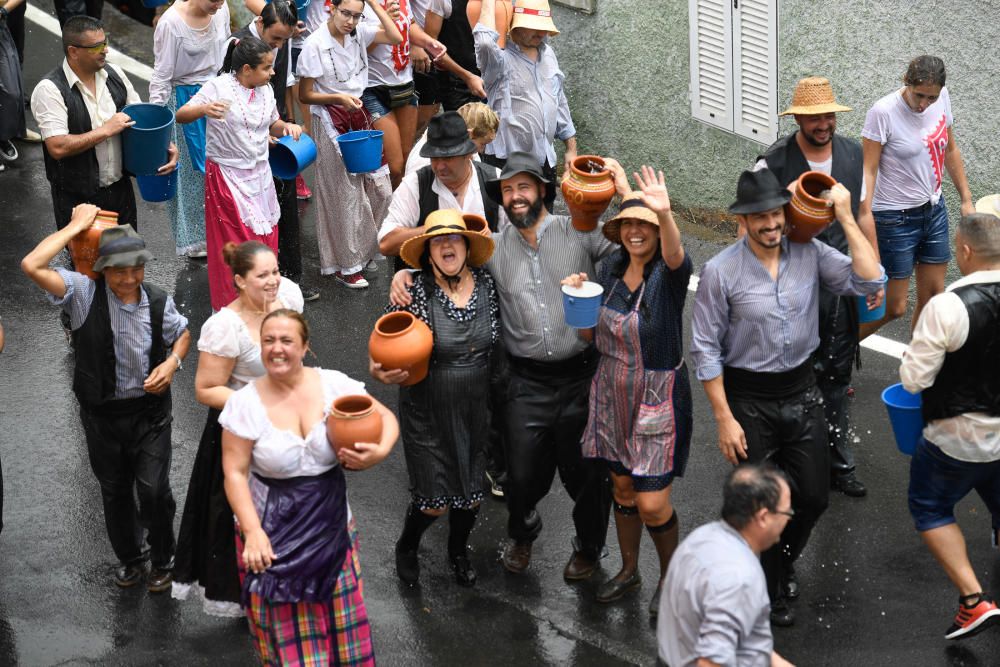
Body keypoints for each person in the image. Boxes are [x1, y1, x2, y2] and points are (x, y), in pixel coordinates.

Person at [391, 150, 614, 580]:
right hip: (526, 381)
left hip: (582, 376)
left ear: (544, 191)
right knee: (520, 474)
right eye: (507, 190)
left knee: (588, 474)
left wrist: (624, 198)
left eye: (523, 187)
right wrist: (403, 274)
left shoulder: (581, 233)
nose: (514, 197)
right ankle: (523, 532)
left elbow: (635, 246)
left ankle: (588, 547)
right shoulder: (491, 249)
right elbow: (443, 262)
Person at [690, 168, 883, 627]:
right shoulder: (721, 273)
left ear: (786, 213)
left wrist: (848, 218)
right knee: (763, 504)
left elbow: (870, 282)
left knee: (814, 496)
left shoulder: (811, 253)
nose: (770, 223)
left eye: (776, 213)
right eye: (759, 217)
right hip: (748, 399)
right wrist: (723, 418)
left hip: (802, 389)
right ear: (743, 222)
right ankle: (768, 587)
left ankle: (783, 560)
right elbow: (705, 349)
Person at [21, 205, 191, 591]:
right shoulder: (82, 293)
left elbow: (181, 334)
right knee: (114, 491)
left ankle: (164, 557)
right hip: (101, 417)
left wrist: (174, 362)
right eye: (119, 270)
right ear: (102, 270)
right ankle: (131, 560)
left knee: (153, 489)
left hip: (149, 415)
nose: (129, 278)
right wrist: (75, 227)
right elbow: (32, 264)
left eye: (136, 269)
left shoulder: (158, 301)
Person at [220, 309, 398, 664]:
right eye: (268, 340)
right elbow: (235, 473)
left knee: (347, 646)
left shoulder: (333, 385)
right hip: (272, 537)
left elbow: (386, 418)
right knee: (295, 654)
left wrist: (377, 454)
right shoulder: (244, 404)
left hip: (332, 530)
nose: (277, 349)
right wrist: (253, 532)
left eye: (287, 340)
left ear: (305, 348)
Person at [565, 166, 692, 617]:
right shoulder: (608, 270)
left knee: (653, 502)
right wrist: (578, 300)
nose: (637, 232)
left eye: (646, 225)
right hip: (611, 390)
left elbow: (678, 256)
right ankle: (630, 568)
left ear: (657, 232)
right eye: (630, 225)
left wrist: (665, 212)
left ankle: (671, 578)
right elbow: (587, 339)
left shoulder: (669, 276)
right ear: (620, 233)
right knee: (621, 489)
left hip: (656, 395)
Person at [756, 77, 879, 499]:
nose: (823, 123)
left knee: (837, 374)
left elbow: (864, 213)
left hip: (840, 285)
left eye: (828, 115)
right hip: (791, 284)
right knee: (792, 373)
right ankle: (791, 462)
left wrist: (873, 269)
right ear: (799, 119)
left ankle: (839, 463)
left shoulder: (851, 153)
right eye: (814, 117)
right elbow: (750, 224)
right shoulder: (773, 161)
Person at [173, 241, 303, 617]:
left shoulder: (289, 298)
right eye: (263, 275)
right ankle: (255, 600)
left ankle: (289, 588)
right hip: (242, 435)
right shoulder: (225, 326)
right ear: (240, 281)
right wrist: (258, 404)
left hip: (288, 427)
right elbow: (204, 389)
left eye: (275, 271)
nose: (274, 281)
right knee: (247, 520)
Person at [374, 210, 498, 587]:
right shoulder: (411, 290)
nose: (447, 245)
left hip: (477, 408)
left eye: (454, 238)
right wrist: (381, 371)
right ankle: (408, 546)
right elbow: (380, 352)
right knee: (433, 502)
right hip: (426, 411)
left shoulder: (488, 284)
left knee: (471, 496)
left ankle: (457, 551)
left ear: (466, 245)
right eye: (438, 240)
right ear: (428, 252)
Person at [899, 212, 1000, 640]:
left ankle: (973, 602)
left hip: (956, 439)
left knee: (930, 506)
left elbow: (913, 380)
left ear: (963, 251)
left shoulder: (947, 306)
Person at [175, 37, 304, 311]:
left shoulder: (266, 90)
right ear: (247, 69)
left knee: (264, 241)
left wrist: (287, 129)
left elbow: (273, 124)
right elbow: (182, 114)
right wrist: (204, 109)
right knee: (236, 246)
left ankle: (261, 305)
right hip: (227, 177)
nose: (273, 72)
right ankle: (231, 310)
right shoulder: (218, 87)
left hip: (260, 175)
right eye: (267, 67)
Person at [30, 16, 178, 231]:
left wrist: (167, 149)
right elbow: (58, 146)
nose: (105, 50)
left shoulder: (114, 73)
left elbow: (141, 122)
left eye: (105, 42)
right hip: (77, 201)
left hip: (120, 192)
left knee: (128, 262)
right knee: (87, 264)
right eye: (96, 47)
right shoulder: (50, 90)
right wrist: (106, 130)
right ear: (73, 51)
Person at [861, 55, 974, 334]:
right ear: (906, 82)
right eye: (919, 95)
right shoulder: (883, 112)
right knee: (894, 307)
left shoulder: (942, 98)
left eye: (931, 98)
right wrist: (864, 220)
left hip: (933, 210)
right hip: (893, 217)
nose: (924, 104)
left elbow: (950, 150)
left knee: (934, 299)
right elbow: (869, 170)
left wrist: (966, 199)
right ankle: (832, 357)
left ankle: (917, 368)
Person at [296, 0, 401, 289]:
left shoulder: (360, 32)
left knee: (380, 187)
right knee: (344, 194)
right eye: (345, 13)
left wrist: (374, 6)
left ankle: (365, 250)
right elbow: (304, 95)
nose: (350, 21)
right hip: (330, 117)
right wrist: (337, 98)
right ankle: (346, 265)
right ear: (332, 8)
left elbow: (395, 37)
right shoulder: (315, 43)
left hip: (358, 114)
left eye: (356, 15)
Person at [658, 464, 796, 667]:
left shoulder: (700, 539)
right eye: (786, 513)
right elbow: (711, 662)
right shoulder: (738, 579)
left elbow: (745, 639)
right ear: (764, 517)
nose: (788, 520)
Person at [234, 1, 320, 302]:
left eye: (285, 40)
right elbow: (227, 101)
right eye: (275, 40)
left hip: (277, 131)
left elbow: (282, 87)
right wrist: (259, 134)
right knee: (253, 217)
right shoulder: (237, 45)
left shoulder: (280, 44)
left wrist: (288, 123)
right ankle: (252, 282)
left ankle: (291, 281)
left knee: (286, 210)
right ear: (260, 22)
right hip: (245, 146)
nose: (279, 47)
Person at [361, 0, 484, 189]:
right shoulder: (359, 5)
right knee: (394, 166)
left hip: (404, 83)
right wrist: (384, 23)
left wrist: (428, 42)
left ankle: (397, 212)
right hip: (373, 86)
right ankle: (379, 208)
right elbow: (356, 49)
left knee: (405, 162)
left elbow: (410, 25)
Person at [474, 0, 576, 211]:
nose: (541, 32)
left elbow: (560, 101)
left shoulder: (548, 54)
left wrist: (571, 148)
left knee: (544, 225)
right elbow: (484, 43)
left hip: (544, 161)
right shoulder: (498, 62)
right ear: (515, 26)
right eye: (534, 26)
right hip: (507, 163)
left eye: (544, 26)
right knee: (508, 229)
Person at [150, 0, 231, 258]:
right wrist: (157, 125)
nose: (218, 5)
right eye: (214, 0)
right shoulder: (171, 23)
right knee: (189, 175)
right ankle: (195, 238)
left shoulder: (222, 9)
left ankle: (223, 229)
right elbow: (161, 76)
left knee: (223, 166)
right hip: (184, 101)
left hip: (217, 96)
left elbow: (226, 52)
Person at [378, 110, 506, 262]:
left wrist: (492, 239)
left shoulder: (495, 179)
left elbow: (523, 238)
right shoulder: (415, 184)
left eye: (448, 158)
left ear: (468, 154)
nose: (439, 166)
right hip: (431, 280)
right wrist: (434, 229)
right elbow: (386, 244)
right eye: (434, 158)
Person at [404, 100, 497, 176]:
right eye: (483, 144)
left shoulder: (470, 149)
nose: (482, 150)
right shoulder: (423, 162)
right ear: (469, 134)